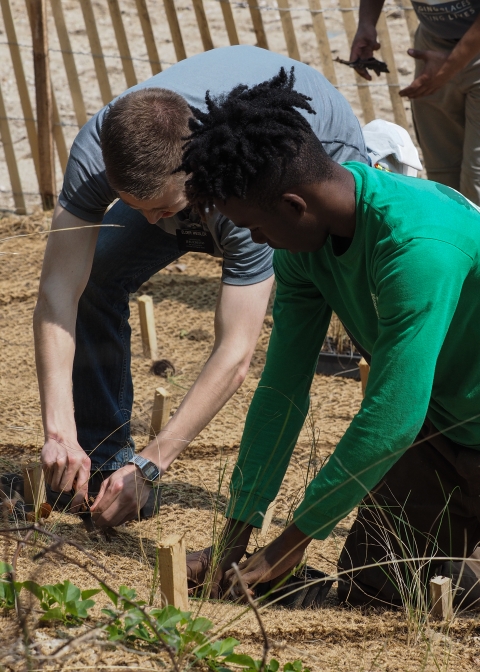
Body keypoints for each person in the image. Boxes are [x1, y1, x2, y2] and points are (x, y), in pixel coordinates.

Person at [33, 46, 369, 528]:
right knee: (97, 275)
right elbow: (56, 293)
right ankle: (103, 462)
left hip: (311, 156)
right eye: (134, 206)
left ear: (194, 175)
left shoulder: (251, 199)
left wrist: (152, 464)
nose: (149, 222)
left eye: (161, 210)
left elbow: (235, 353)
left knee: (347, 316)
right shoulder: (97, 152)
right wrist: (58, 429)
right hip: (189, 164)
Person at [182, 70, 480, 608]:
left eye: (254, 226)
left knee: (445, 598)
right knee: (380, 588)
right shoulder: (303, 252)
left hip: (439, 421)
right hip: (447, 430)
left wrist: (289, 545)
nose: (252, 241)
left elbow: (394, 417)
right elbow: (282, 391)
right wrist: (236, 539)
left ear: (295, 206)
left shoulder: (418, 245)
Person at [349, 0, 480, 205]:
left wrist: (451, 65)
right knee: (443, 180)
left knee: (476, 182)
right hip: (432, 44)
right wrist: (367, 23)